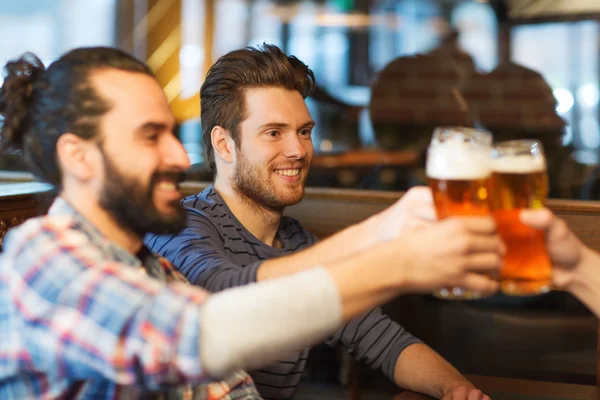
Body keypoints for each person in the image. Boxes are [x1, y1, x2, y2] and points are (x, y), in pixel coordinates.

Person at [0, 47, 502, 399]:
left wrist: (456, 389)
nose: (178, 155)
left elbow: (231, 381)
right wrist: (390, 250)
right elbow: (208, 328)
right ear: (79, 157)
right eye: (151, 136)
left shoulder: (139, 265)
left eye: (303, 132)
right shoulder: (47, 260)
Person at [146, 44, 492, 400]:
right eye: (274, 133)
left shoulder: (298, 242)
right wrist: (379, 236)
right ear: (224, 144)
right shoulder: (182, 225)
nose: (298, 150)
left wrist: (457, 389)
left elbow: (383, 340)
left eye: (304, 131)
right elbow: (223, 297)